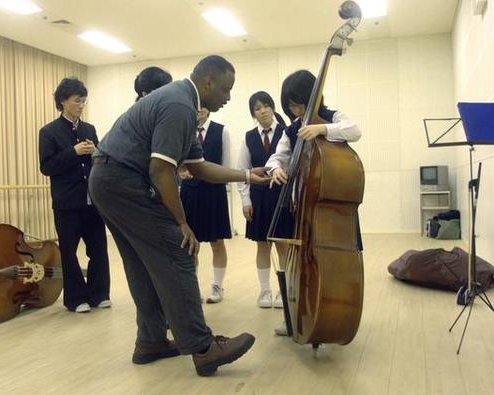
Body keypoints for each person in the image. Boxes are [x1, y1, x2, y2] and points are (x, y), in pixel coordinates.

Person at [89, 55, 267, 377]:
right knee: (179, 251)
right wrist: (182, 222)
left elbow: (198, 167)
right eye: (227, 89)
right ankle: (203, 347)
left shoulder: (181, 102)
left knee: (143, 262)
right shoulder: (179, 105)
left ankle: (152, 341)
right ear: (208, 81)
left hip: (106, 180)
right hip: (122, 180)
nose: (228, 97)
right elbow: (161, 170)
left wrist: (246, 175)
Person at [266, 69, 362, 335]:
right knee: (301, 267)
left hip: (332, 208)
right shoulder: (292, 129)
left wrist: (322, 128)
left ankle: (337, 311)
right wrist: (276, 169)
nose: (295, 110)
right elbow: (277, 157)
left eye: (298, 103)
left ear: (313, 97)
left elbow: (355, 131)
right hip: (305, 209)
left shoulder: (333, 117)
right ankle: (296, 315)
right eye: (290, 106)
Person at [38, 77, 111, 313]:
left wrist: (95, 152)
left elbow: (101, 160)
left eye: (83, 101)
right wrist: (74, 152)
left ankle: (99, 294)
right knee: (69, 253)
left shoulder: (89, 129)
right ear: (63, 101)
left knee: (98, 248)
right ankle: (76, 299)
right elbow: (47, 167)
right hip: (67, 203)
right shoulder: (48, 131)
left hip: (93, 201)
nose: (81, 105)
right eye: (77, 101)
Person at [237, 91, 292, 309]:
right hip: (258, 198)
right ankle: (265, 290)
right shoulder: (248, 137)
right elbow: (243, 172)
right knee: (262, 246)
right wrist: (245, 201)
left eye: (267, 105)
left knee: (283, 245)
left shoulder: (286, 133)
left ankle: (283, 289)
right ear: (253, 113)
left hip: (282, 196)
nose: (263, 111)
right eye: (258, 108)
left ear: (273, 108)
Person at [179, 107, 232, 304]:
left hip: (214, 192)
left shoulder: (222, 130)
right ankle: (192, 288)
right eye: (194, 106)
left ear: (208, 110)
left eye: (201, 107)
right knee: (191, 244)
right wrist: (179, 171)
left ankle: (217, 286)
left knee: (217, 241)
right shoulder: (183, 130)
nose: (198, 110)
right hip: (189, 192)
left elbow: (226, 164)